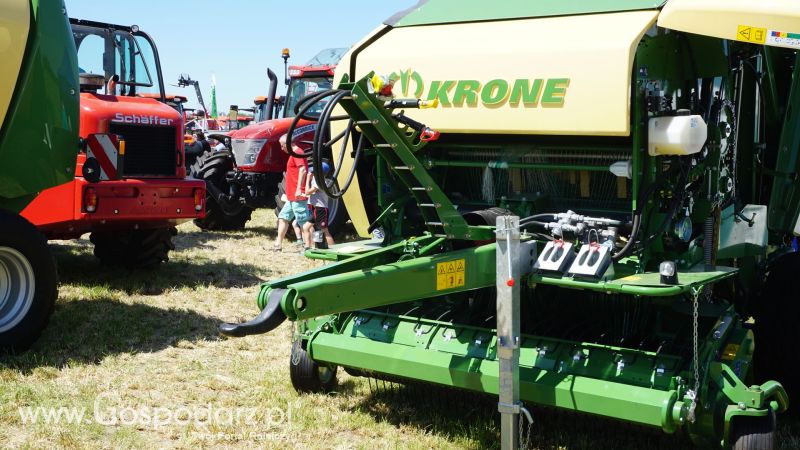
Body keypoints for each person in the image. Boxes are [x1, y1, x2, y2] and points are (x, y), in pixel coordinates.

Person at [273, 134, 308, 251]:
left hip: (297, 196)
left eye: (282, 146)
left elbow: (302, 170)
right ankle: (278, 245)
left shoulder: (298, 152)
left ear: (287, 144)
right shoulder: (294, 154)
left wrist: (299, 189)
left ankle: (309, 248)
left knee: (304, 222)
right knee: (283, 218)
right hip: (291, 196)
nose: (281, 148)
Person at [303, 161, 335, 249]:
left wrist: (308, 179)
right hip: (315, 208)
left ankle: (334, 249)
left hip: (320, 209)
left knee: (324, 231)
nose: (313, 172)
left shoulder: (320, 182)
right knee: (306, 227)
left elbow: (307, 192)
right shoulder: (316, 180)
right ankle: (308, 247)